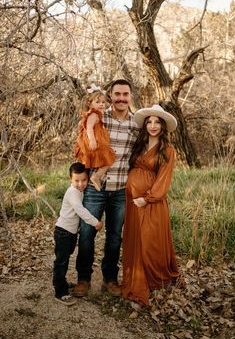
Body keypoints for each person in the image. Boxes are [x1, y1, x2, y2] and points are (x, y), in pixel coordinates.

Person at [73, 79, 139, 298]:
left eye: (125, 94)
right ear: (111, 96)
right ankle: (83, 279)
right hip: (95, 187)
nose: (121, 98)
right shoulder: (101, 116)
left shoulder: (136, 124)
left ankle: (110, 278)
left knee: (114, 237)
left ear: (130, 96)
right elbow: (85, 140)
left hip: (121, 189)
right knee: (87, 233)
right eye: (117, 94)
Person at [122, 104, 185, 308]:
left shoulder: (167, 150)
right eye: (149, 121)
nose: (153, 125)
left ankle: (155, 278)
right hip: (133, 202)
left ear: (163, 126)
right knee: (136, 238)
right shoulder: (138, 145)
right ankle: (139, 276)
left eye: (157, 122)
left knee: (150, 240)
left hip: (151, 202)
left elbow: (163, 181)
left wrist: (147, 198)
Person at [53, 162, 103, 306]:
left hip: (70, 232)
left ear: (88, 179)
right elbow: (80, 211)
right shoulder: (72, 193)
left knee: (65, 258)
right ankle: (60, 291)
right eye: (76, 180)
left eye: (84, 180)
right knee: (61, 261)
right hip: (63, 232)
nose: (80, 184)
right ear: (70, 179)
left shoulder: (80, 191)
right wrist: (96, 222)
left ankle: (61, 282)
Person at [74, 84, 116, 191]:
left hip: (97, 140)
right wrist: (92, 140)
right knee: (110, 158)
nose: (101, 104)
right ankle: (96, 176)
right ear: (90, 103)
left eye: (103, 102)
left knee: (105, 159)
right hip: (96, 141)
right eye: (97, 102)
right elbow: (89, 127)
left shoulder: (96, 114)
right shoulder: (93, 114)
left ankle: (96, 176)